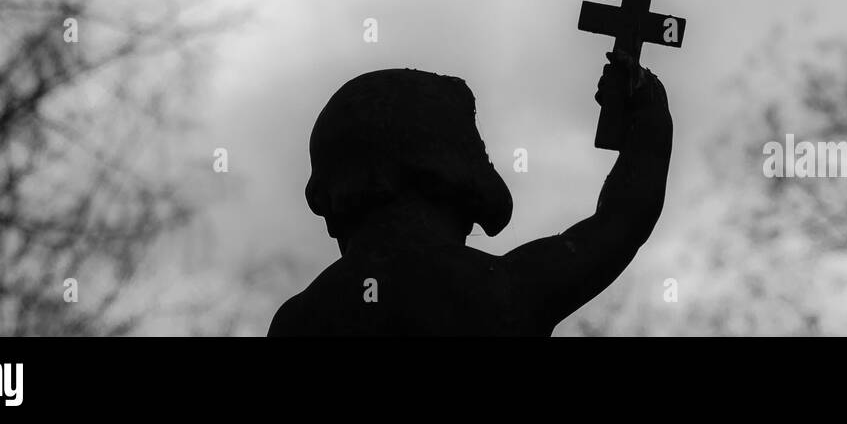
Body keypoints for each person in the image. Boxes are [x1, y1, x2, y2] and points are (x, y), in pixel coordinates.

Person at [268, 52, 672, 335]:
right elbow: (623, 221)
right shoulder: (501, 291)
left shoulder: (300, 319)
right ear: (439, 166)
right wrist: (648, 113)